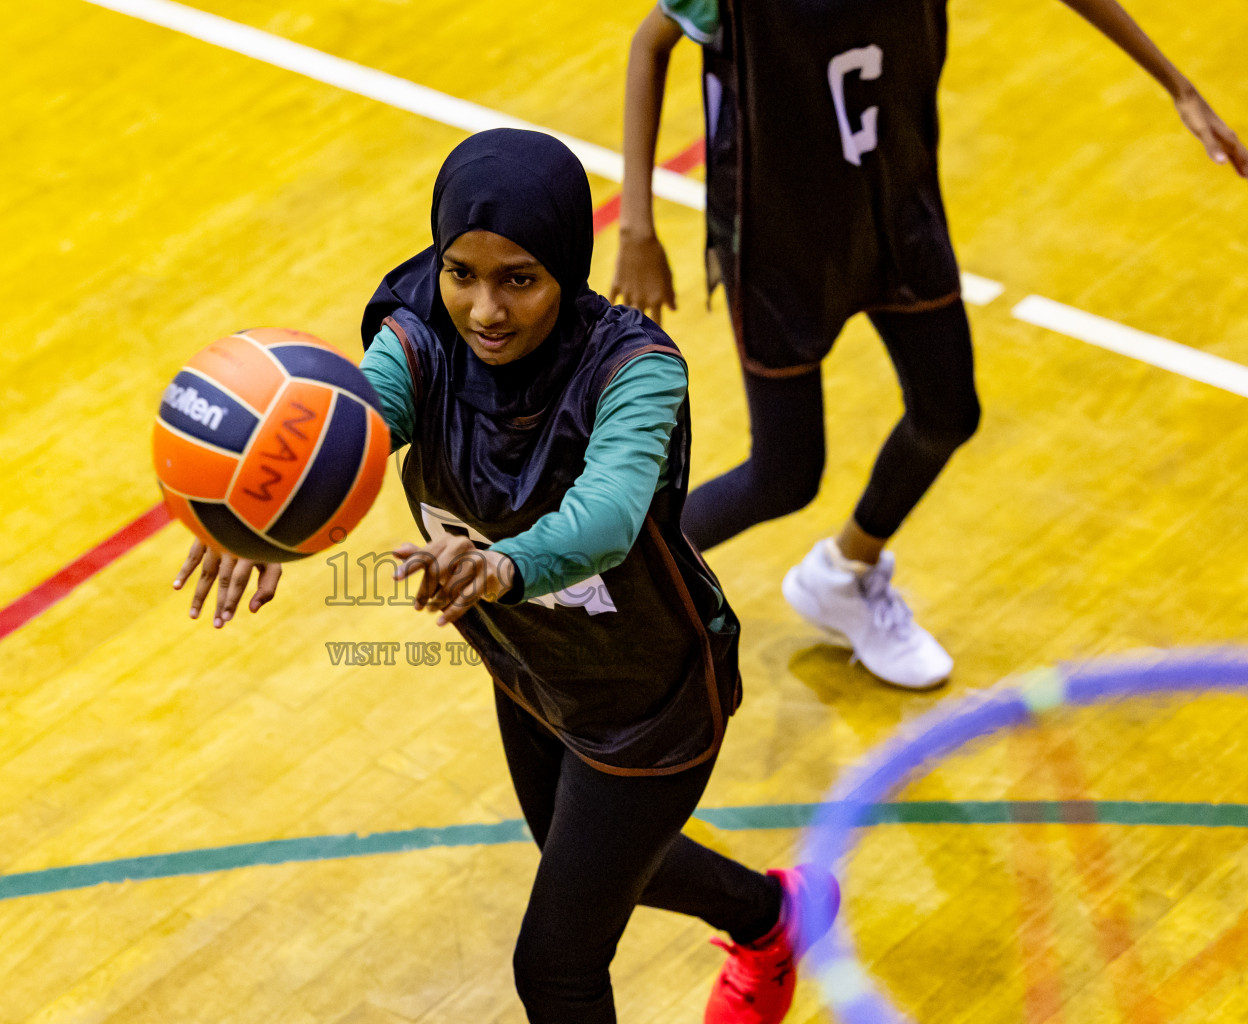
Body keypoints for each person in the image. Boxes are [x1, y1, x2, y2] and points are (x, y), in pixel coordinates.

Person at [174, 129, 840, 1024]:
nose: (484, 309)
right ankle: (776, 915)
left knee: (556, 967)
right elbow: (351, 425)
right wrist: (255, 512)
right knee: (588, 860)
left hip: (650, 702)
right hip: (528, 678)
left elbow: (605, 517)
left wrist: (500, 564)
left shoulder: (635, 371)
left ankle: (772, 919)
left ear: (566, 266)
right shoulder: (420, 341)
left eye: (518, 280)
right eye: (461, 274)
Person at [614, 0, 1247, 690]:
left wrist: (1178, 86)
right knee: (784, 475)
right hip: (781, 237)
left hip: (895, 204)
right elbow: (650, 45)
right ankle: (612, 575)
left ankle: (844, 575)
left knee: (948, 410)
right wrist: (636, 230)